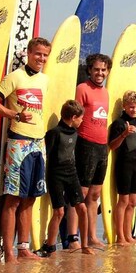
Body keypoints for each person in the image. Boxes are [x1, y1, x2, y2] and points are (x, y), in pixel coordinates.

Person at [0, 37, 51, 263]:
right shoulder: (14, 77)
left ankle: (23, 248)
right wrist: (14, 115)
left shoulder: (45, 80)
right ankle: (8, 252)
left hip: (39, 142)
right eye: (38, 54)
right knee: (14, 199)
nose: (41, 58)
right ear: (28, 53)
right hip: (18, 141)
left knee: (31, 198)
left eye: (45, 55)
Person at [42, 100, 92, 255]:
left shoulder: (75, 133)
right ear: (73, 117)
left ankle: (84, 246)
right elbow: (46, 156)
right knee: (59, 212)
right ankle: (50, 247)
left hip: (71, 173)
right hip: (55, 174)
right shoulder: (54, 133)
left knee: (82, 208)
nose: (82, 121)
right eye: (80, 118)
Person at [74, 53, 111, 248]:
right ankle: (74, 238)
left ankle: (91, 237)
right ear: (89, 70)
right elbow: (76, 117)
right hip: (85, 144)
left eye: (103, 69)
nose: (100, 73)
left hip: (101, 147)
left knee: (95, 195)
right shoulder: (82, 88)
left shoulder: (105, 92)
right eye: (96, 69)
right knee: (81, 192)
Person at [107, 91, 136, 245]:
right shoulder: (119, 123)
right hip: (124, 164)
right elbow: (112, 146)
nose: (134, 110)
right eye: (131, 107)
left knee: (133, 201)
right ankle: (120, 237)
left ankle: (129, 235)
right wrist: (124, 134)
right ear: (124, 106)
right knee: (123, 200)